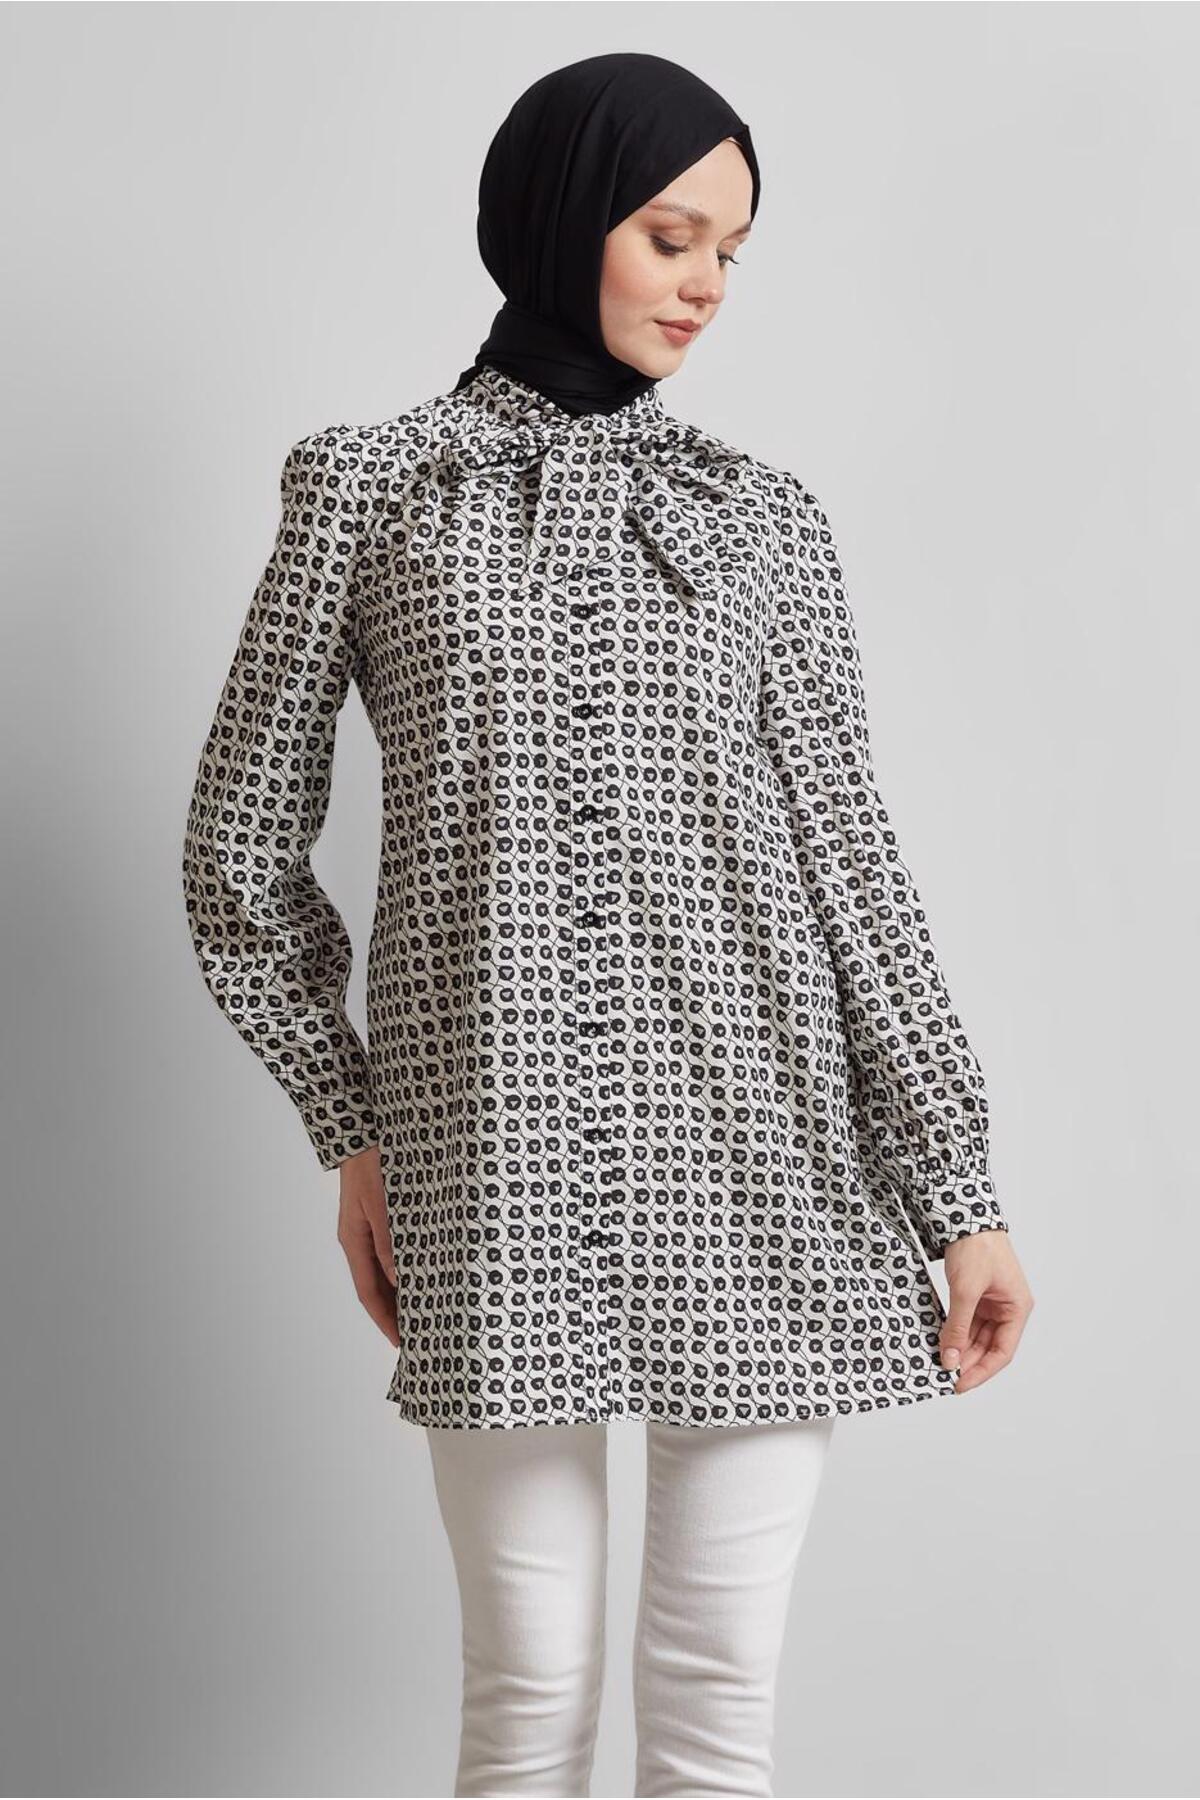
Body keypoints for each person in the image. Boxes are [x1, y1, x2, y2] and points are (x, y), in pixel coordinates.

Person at [182, 50, 1034, 1800]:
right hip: (493, 1158)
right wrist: (356, 1130)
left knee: (718, 1705)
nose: (708, 284)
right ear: (560, 218)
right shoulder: (369, 489)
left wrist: (960, 1194)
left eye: (733, 248)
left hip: (765, 1155)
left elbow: (853, 865)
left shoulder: (765, 520)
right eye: (670, 235)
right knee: (528, 1692)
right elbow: (238, 852)